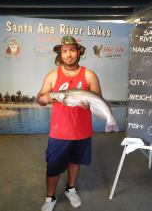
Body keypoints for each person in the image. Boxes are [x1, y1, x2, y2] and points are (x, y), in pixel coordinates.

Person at [36, 35, 102, 211]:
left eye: (72, 50)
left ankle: (70, 189)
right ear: (60, 54)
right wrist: (46, 98)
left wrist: (86, 103)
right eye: (64, 51)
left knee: (75, 161)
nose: (68, 54)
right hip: (59, 132)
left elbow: (98, 101)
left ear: (78, 52)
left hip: (82, 131)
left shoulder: (89, 75)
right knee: (53, 166)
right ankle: (50, 198)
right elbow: (40, 98)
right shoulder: (52, 76)